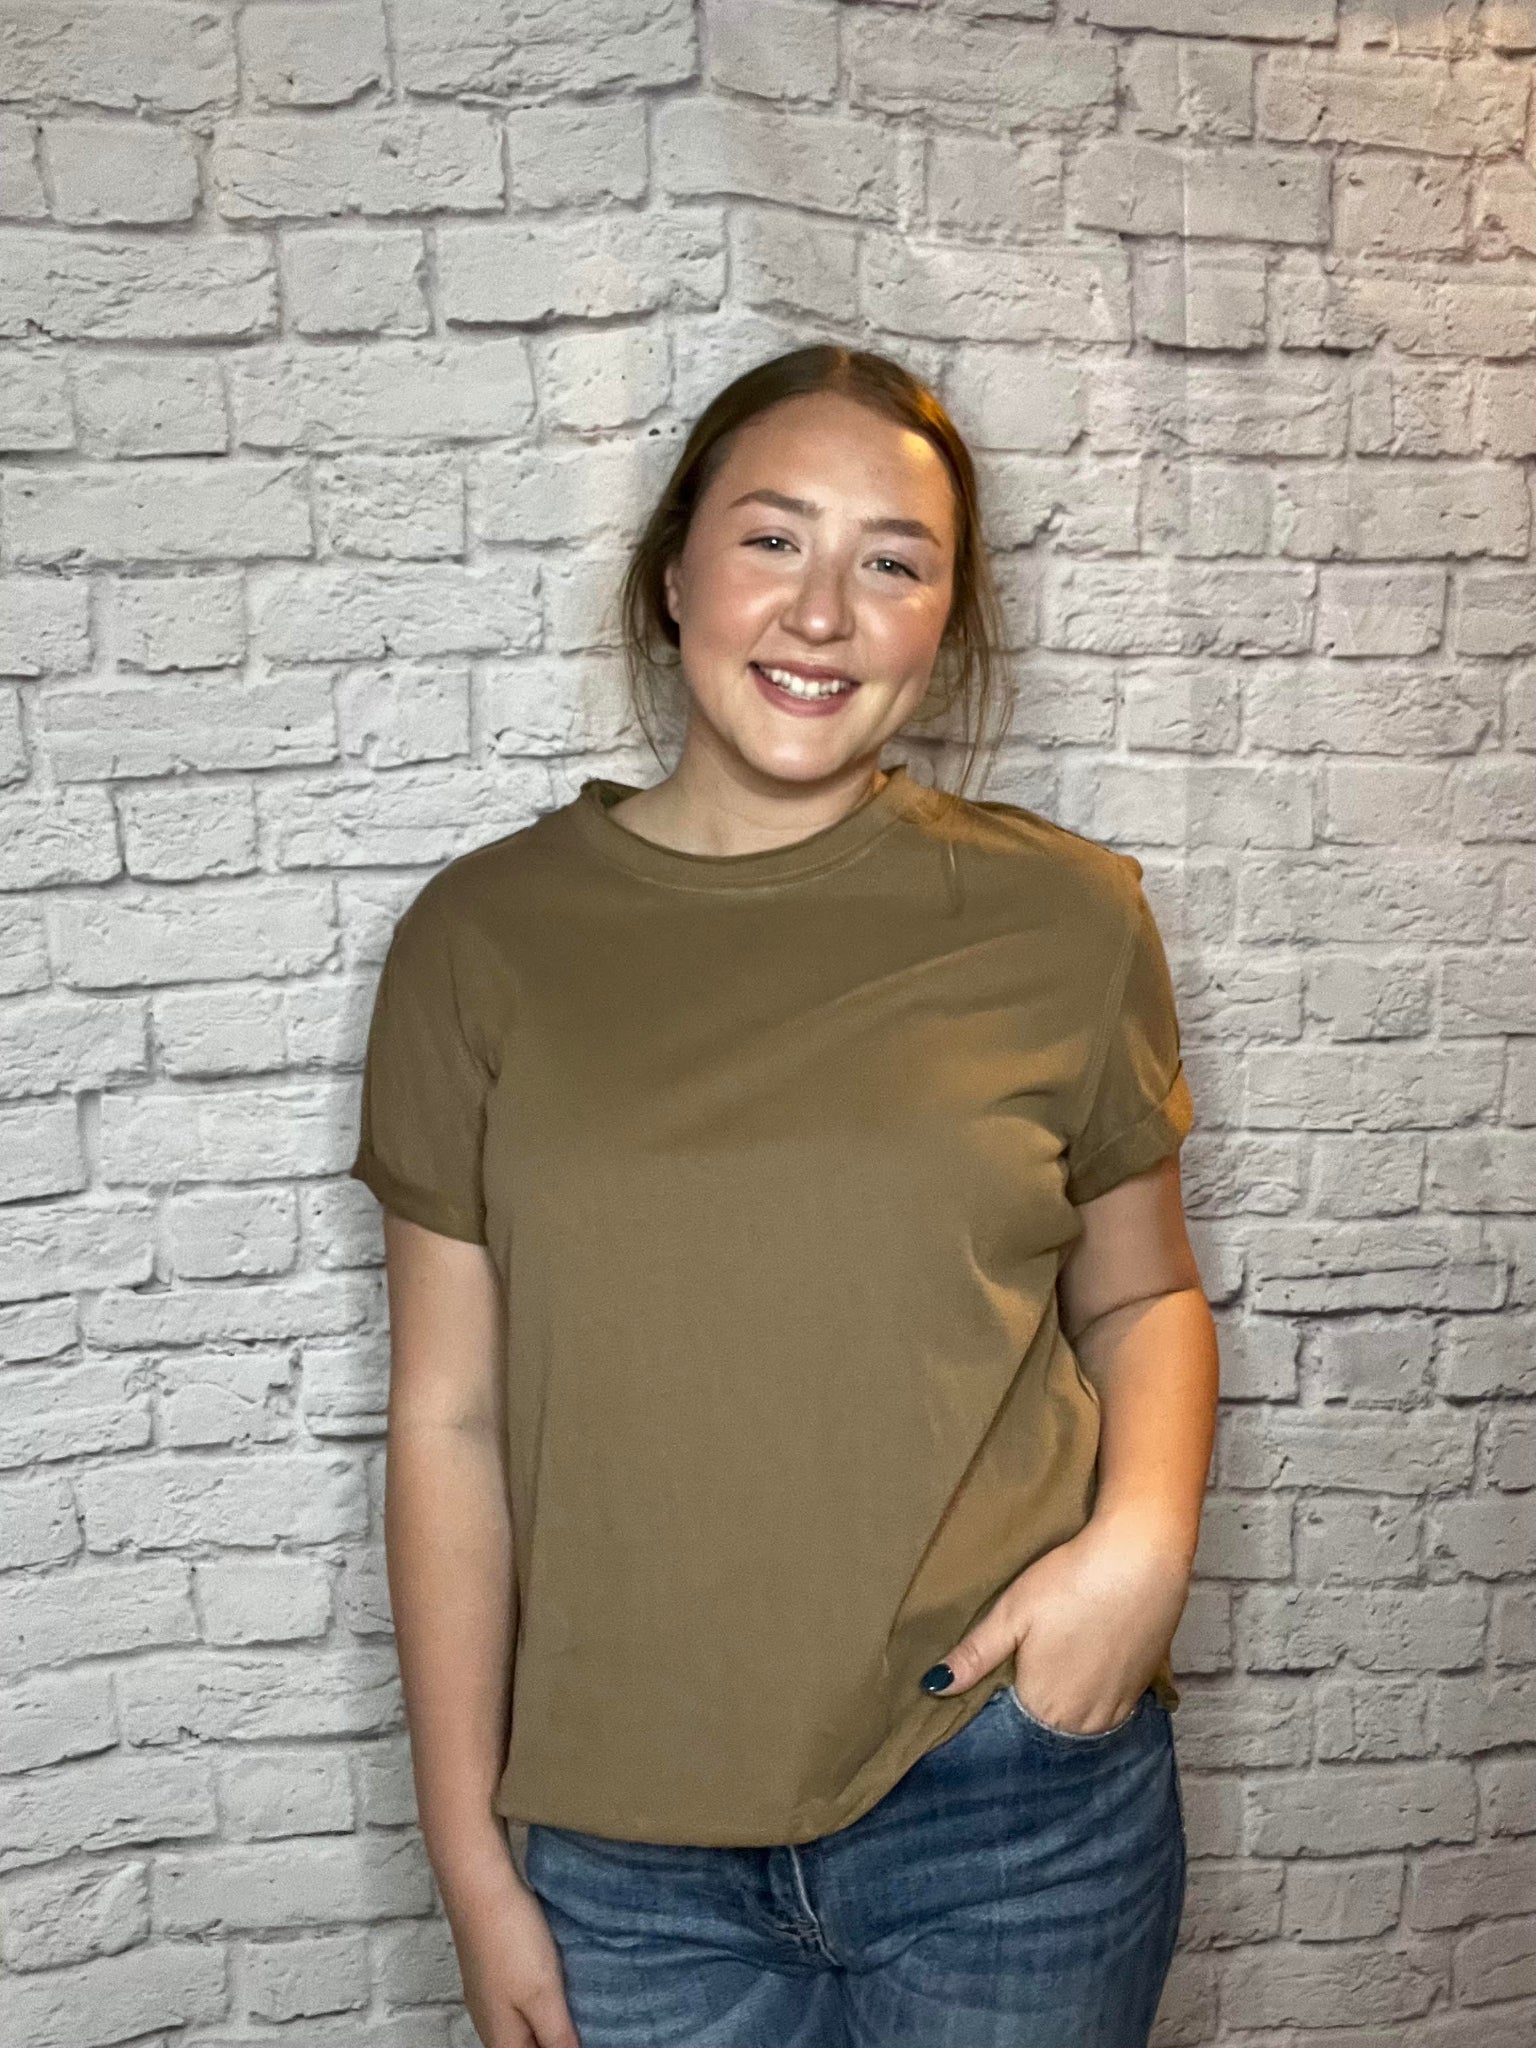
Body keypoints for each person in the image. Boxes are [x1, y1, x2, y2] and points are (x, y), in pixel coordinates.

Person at [350, 344, 1220, 2048]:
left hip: (1010, 1802)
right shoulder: (482, 943)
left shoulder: (1066, 920)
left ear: (945, 624)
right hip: (625, 1859)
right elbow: (446, 1421)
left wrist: (1144, 1548)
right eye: (773, 541)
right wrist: (471, 1862)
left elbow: (1141, 1296)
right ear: (674, 571)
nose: (823, 612)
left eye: (892, 563)